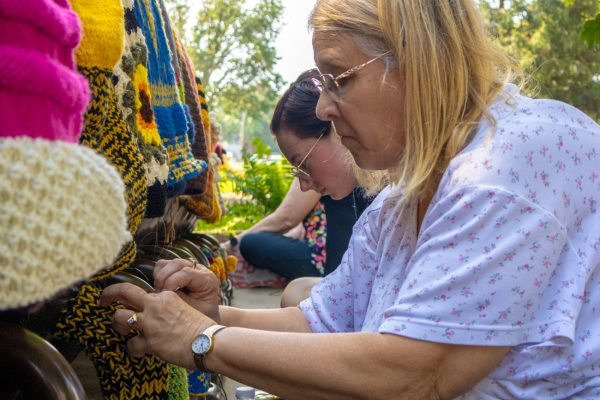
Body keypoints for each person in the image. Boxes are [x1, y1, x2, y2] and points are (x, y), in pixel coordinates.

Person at [101, 1, 600, 398]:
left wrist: (201, 341)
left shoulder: (504, 164)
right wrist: (214, 317)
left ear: (420, 59)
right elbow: (323, 320)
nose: (323, 107)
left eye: (339, 80)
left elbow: (415, 375)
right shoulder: (400, 202)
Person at [227, 70, 374, 283]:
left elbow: (286, 218)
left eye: (303, 164)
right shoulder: (345, 195)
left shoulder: (384, 196)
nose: (304, 185)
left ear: (334, 126)